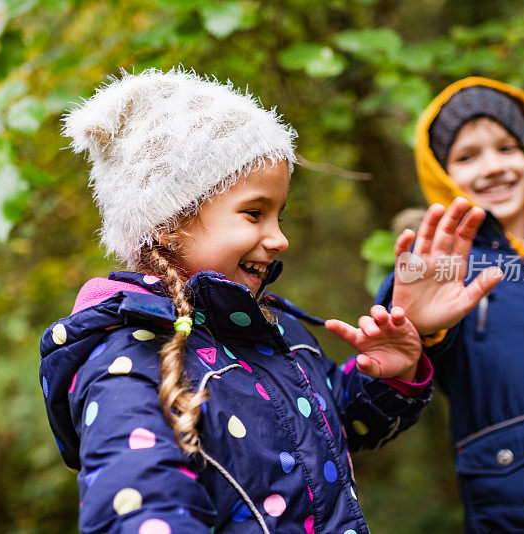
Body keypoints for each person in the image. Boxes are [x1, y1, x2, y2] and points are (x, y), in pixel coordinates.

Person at [39, 69, 492, 533]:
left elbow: (334, 430)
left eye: (279, 215)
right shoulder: (126, 361)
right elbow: (140, 509)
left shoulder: (274, 329)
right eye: (254, 213)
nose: (279, 239)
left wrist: (394, 367)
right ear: (168, 221)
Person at [377, 76, 524, 533]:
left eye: (506, 148)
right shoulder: (441, 267)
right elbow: (401, 357)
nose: (492, 168)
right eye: (467, 156)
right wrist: (419, 328)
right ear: (439, 173)